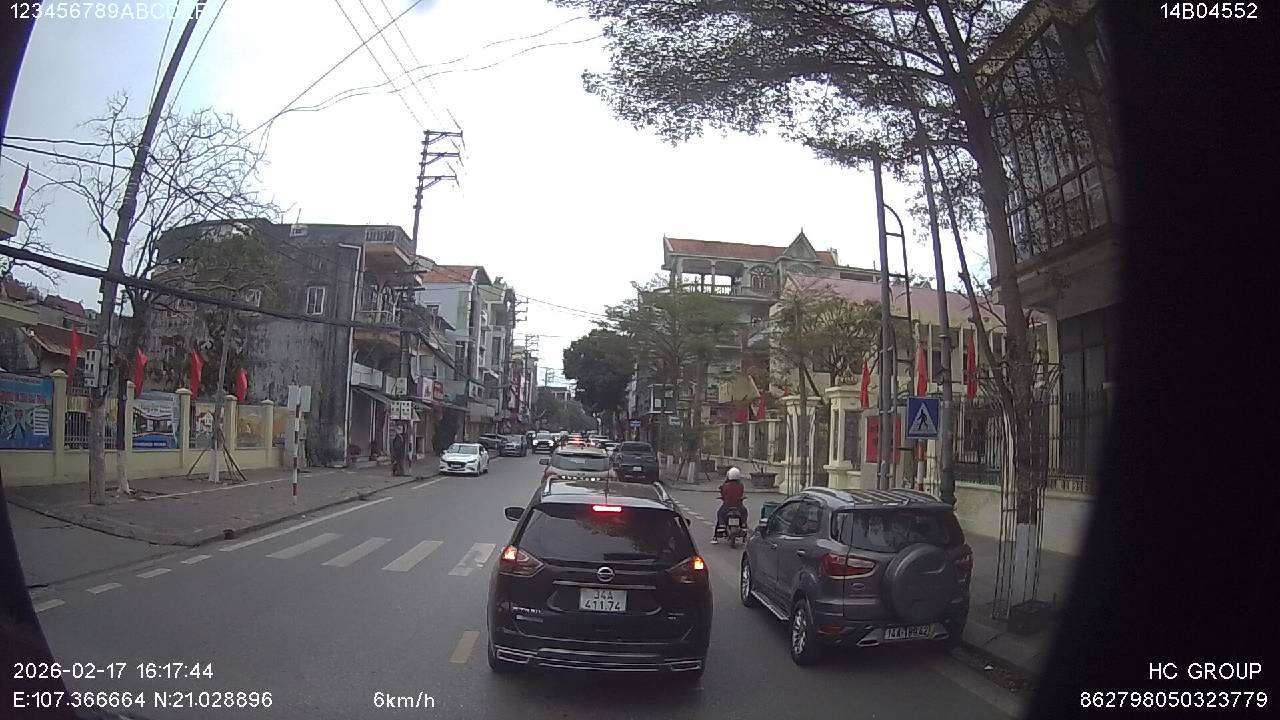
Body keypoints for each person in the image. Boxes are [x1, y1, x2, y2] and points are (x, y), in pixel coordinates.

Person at [712, 467, 748, 544]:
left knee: (719, 514)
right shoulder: (741, 485)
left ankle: (720, 528)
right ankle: (743, 525)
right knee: (745, 513)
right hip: (739, 507)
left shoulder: (725, 485)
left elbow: (723, 494)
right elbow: (742, 494)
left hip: (727, 507)